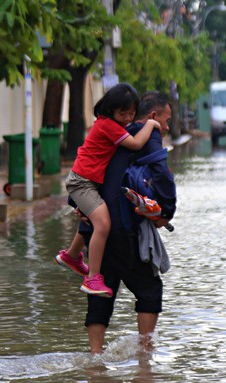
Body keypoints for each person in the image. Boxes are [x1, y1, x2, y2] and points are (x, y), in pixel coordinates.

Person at [81, 91, 176, 354]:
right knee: (150, 290)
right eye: (166, 120)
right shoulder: (148, 133)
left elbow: (85, 169)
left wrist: (80, 208)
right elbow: (161, 173)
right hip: (124, 228)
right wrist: (167, 210)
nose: (167, 127)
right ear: (154, 116)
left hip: (98, 225)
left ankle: (95, 359)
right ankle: (146, 356)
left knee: (101, 287)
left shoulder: (110, 133)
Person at [55, 83, 160, 297]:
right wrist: (150, 124)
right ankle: (93, 278)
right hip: (82, 182)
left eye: (132, 113)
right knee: (103, 223)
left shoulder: (112, 124)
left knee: (90, 219)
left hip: (87, 180)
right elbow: (136, 144)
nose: (128, 118)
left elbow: (128, 131)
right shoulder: (107, 125)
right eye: (123, 113)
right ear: (110, 109)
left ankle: (72, 255)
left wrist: (138, 122)